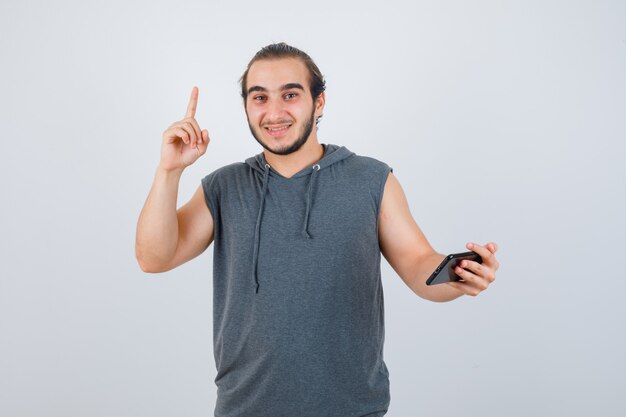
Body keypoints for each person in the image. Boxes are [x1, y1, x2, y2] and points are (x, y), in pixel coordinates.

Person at [135, 42, 499, 417]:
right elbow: (153, 258)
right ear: (246, 106)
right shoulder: (224, 186)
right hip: (245, 409)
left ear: (319, 102)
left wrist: (458, 277)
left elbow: (420, 264)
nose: (274, 112)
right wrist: (169, 171)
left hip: (352, 409)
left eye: (290, 94)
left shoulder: (372, 180)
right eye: (260, 97)